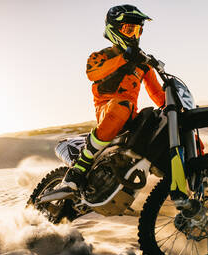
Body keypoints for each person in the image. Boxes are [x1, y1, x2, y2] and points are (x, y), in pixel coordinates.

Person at [62, 4, 166, 191]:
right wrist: (125, 58)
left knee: (162, 121)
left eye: (138, 30)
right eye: (129, 29)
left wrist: (178, 106)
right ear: (114, 30)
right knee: (122, 105)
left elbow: (157, 94)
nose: (134, 35)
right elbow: (93, 73)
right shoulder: (101, 56)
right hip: (107, 110)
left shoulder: (143, 65)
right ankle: (79, 167)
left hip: (129, 117)